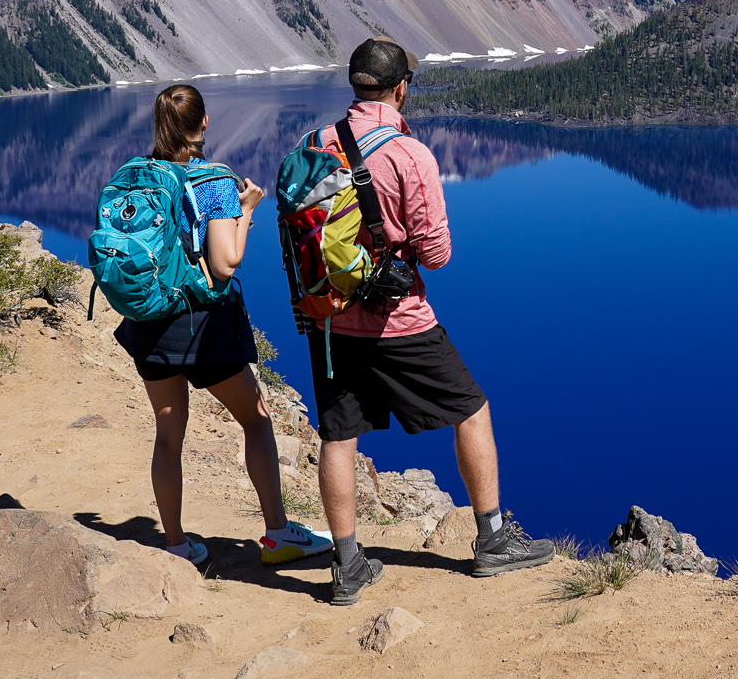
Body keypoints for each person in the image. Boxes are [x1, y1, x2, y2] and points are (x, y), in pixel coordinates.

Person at [307, 37, 553, 603]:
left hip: (331, 319)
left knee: (339, 437)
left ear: (355, 86)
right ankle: (491, 541)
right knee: (471, 409)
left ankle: (348, 567)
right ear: (400, 88)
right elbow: (437, 253)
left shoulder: (316, 143)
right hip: (397, 320)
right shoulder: (408, 154)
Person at [116, 83, 334, 571]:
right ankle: (278, 534)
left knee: (168, 435)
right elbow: (225, 263)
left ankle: (175, 546)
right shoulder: (213, 179)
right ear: (204, 123)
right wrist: (249, 207)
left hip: (148, 319)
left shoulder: (137, 173)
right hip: (202, 325)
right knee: (255, 420)